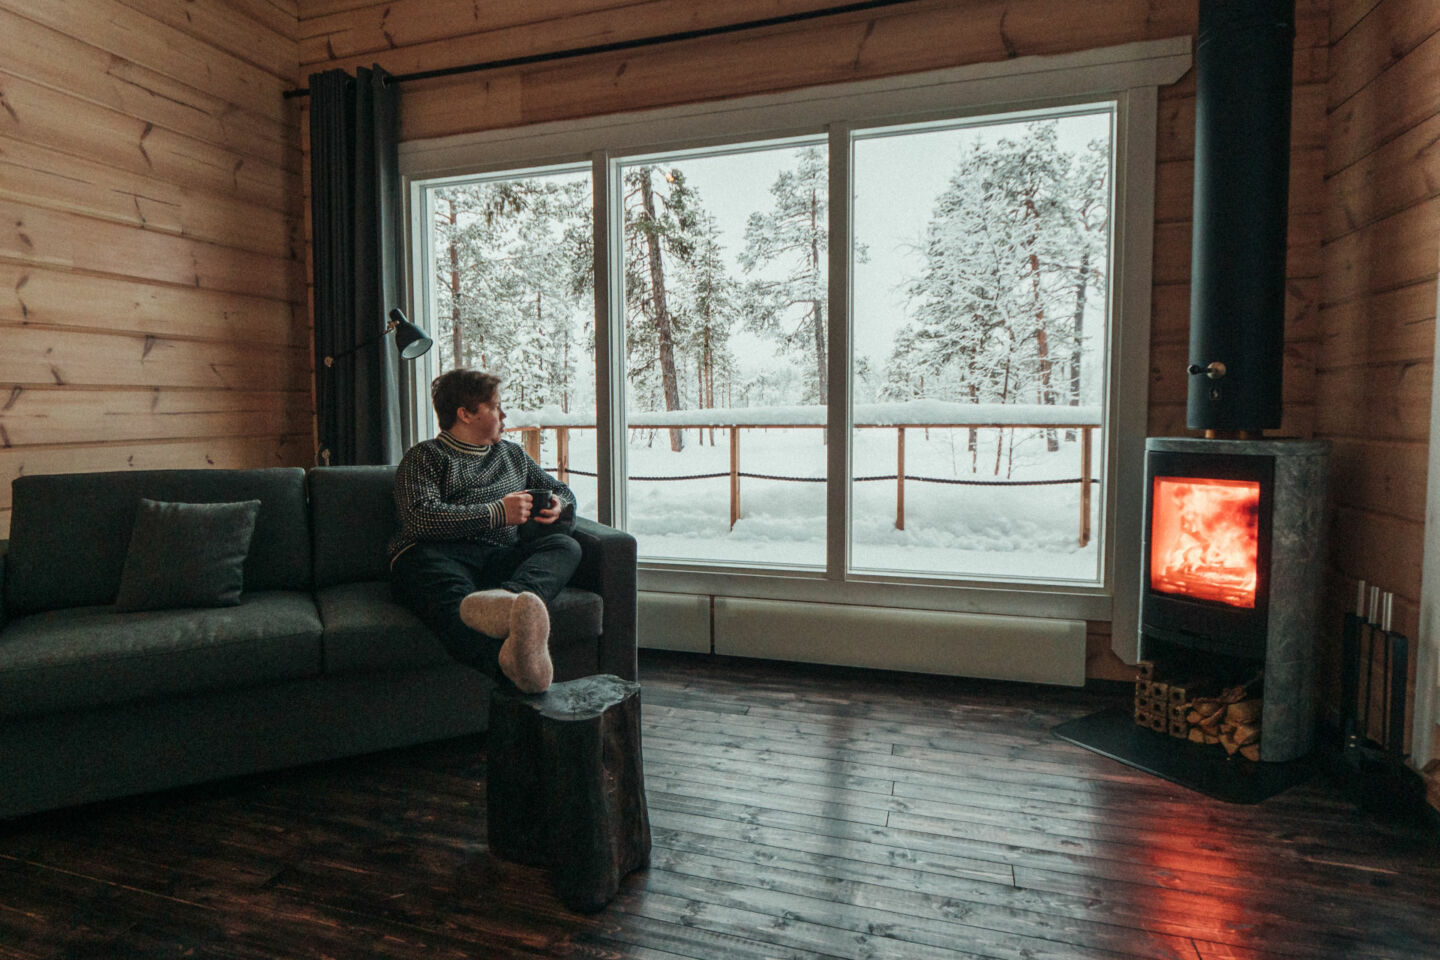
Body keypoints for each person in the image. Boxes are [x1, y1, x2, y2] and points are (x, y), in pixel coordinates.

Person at [388, 369, 579, 694]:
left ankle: (510, 599)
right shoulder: (425, 456)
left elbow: (562, 490)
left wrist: (560, 503)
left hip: (497, 559)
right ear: (465, 414)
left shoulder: (512, 454)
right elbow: (421, 518)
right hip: (434, 555)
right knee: (452, 606)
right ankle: (511, 665)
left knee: (566, 546)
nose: (504, 415)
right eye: (495, 406)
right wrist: (497, 513)